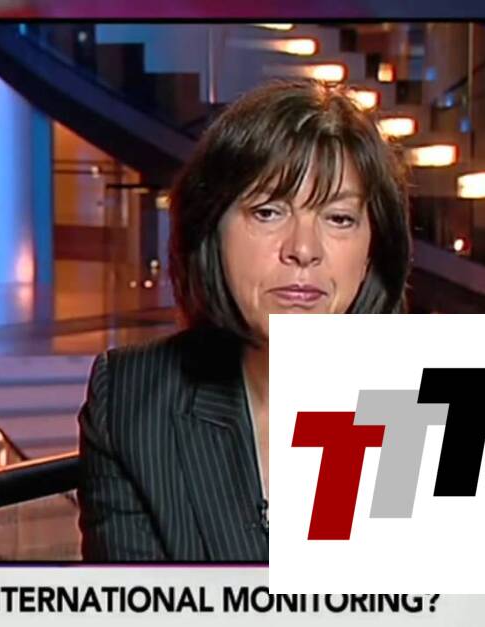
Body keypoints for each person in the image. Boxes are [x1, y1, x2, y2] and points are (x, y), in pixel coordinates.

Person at [77, 79, 412, 562]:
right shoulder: (132, 401)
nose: (303, 249)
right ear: (212, 229)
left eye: (339, 218)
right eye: (268, 212)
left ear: (373, 250)